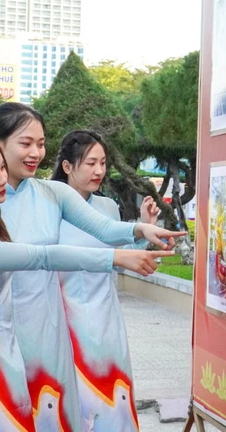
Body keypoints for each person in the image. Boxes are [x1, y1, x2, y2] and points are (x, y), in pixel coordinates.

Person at [0, 131, 172, 431]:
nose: (2, 180)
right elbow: (42, 257)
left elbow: (105, 229)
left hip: (52, 333)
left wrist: (140, 230)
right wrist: (115, 258)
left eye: (40, 143)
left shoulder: (9, 209)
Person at [52, 130, 161, 431]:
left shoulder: (107, 208)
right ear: (67, 166)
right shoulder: (48, 207)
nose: (99, 170)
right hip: (65, 323)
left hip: (107, 320)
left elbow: (120, 257)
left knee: (112, 402)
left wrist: (143, 229)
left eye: (103, 162)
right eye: (90, 163)